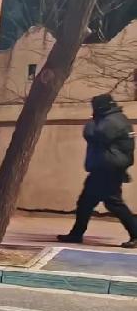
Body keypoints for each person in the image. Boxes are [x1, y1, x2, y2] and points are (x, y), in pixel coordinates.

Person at [57, 93, 137, 248]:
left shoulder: (112, 121)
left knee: (113, 203)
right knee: (86, 202)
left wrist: (92, 121)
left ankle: (135, 234)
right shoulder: (115, 118)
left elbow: (95, 134)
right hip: (105, 168)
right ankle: (76, 234)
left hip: (108, 169)